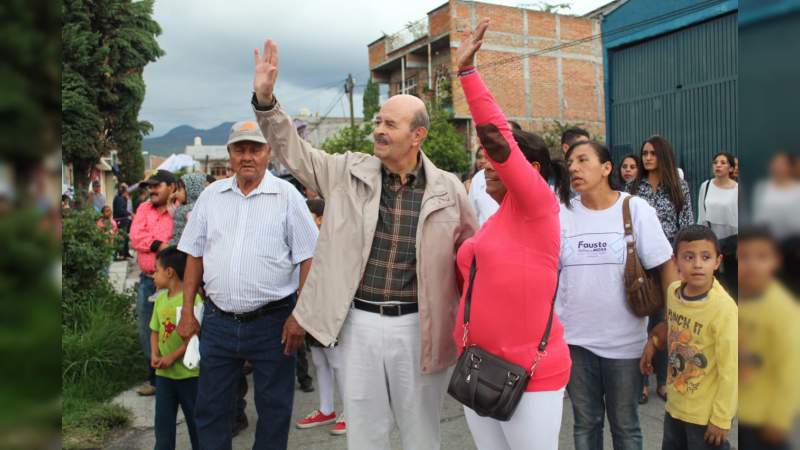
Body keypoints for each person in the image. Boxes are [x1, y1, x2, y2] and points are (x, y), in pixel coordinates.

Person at [249, 39, 477, 450]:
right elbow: (293, 150)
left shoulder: (450, 191)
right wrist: (266, 101)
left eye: (390, 124)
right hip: (360, 324)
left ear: (418, 135)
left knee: (421, 434)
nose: (378, 130)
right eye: (378, 121)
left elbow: (474, 264)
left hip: (419, 327)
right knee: (364, 434)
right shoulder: (347, 172)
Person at [452, 19, 572, 449]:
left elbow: (497, 140)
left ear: (531, 171)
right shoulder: (496, 218)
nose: (488, 164)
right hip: (478, 366)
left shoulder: (538, 208)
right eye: (483, 161)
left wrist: (467, 74)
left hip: (531, 376)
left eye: (498, 161)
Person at [176, 121, 319, 450]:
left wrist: (301, 314)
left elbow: (309, 257)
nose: (248, 156)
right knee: (211, 408)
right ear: (229, 154)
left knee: (274, 410)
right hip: (218, 322)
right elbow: (194, 255)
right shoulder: (211, 197)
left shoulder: (287, 196)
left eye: (255, 148)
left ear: (268, 152)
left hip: (273, 323)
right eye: (240, 149)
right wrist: (187, 312)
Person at [558, 140, 678, 450]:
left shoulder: (634, 209)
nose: (573, 167)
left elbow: (665, 266)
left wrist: (666, 321)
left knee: (625, 428)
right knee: (585, 424)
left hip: (625, 345)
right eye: (570, 162)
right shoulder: (562, 214)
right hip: (574, 342)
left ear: (606, 168)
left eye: (583, 160)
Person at [641, 225, 738, 450]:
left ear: (717, 261)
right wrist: (653, 343)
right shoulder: (674, 292)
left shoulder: (723, 309)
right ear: (675, 262)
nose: (697, 264)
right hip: (675, 407)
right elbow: (671, 326)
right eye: (688, 257)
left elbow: (730, 368)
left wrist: (722, 418)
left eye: (705, 257)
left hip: (705, 417)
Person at [628, 135, 694, 403]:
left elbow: (686, 224)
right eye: (644, 153)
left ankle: (666, 380)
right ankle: (641, 382)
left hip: (668, 262)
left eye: (653, 153)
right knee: (641, 321)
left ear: (663, 156)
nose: (647, 158)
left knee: (667, 320)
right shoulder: (634, 188)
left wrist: (682, 261)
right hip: (640, 267)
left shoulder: (678, 186)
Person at [737, 227, 800, 450]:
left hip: (763, 418)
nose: (752, 264)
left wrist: (779, 418)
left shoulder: (785, 311)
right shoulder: (736, 299)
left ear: (775, 261)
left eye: (761, 257)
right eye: (744, 256)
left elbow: (791, 370)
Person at [295, 198, 347, 436]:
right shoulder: (305, 242)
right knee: (319, 360)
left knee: (337, 361)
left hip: (330, 308)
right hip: (310, 308)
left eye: (310, 217)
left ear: (321, 218)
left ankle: (351, 412)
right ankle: (327, 409)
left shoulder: (333, 242)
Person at [149, 246, 203, 450]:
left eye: (156, 270)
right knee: (163, 426)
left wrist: (172, 356)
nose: (153, 275)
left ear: (169, 272)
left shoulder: (193, 300)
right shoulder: (160, 299)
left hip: (190, 375)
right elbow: (154, 329)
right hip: (164, 376)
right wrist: (154, 354)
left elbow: (194, 336)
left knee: (196, 424)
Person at [130, 169, 176, 396]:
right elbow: (136, 237)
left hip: (173, 285)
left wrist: (164, 245)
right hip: (148, 281)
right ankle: (155, 378)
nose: (152, 190)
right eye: (150, 186)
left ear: (171, 187)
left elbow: (177, 243)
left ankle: (175, 377)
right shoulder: (143, 209)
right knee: (148, 329)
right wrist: (159, 244)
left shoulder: (178, 213)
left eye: (157, 186)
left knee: (173, 329)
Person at [697, 153, 738, 293]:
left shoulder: (737, 189)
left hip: (733, 244)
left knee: (732, 285)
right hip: (711, 241)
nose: (718, 165)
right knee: (711, 286)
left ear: (731, 168)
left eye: (723, 162)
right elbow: (702, 215)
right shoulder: (706, 186)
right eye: (715, 162)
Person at [168, 173, 207, 246]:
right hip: (177, 243)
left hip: (183, 247)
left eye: (179, 190)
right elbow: (175, 215)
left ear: (191, 191)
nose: (176, 193)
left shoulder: (192, 210)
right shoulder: (182, 207)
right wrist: (169, 202)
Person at [468, 146, 500, 226]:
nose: (482, 161)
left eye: (487, 157)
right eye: (479, 157)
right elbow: (471, 217)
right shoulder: (477, 179)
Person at [113, 183, 133, 259]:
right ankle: (121, 254)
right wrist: (129, 213)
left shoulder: (122, 198)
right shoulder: (119, 198)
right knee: (121, 238)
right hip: (120, 220)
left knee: (125, 237)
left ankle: (125, 253)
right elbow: (120, 211)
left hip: (124, 220)